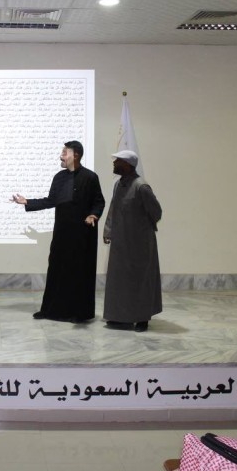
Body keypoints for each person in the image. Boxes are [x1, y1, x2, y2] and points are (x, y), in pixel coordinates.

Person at [11, 140, 105, 323]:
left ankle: (79, 314)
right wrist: (27, 202)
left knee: (79, 272)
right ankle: (49, 311)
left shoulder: (90, 177)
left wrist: (93, 215)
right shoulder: (59, 177)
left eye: (64, 152)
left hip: (82, 235)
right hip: (62, 233)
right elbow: (51, 201)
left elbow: (99, 201)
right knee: (56, 269)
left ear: (75, 155)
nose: (61, 156)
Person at [102, 150, 163, 332]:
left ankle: (142, 318)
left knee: (140, 280)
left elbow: (156, 212)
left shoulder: (141, 186)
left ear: (128, 165)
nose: (114, 164)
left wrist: (140, 229)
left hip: (140, 244)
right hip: (120, 242)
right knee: (120, 280)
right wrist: (108, 230)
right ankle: (121, 317)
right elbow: (113, 209)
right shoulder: (118, 185)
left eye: (118, 161)